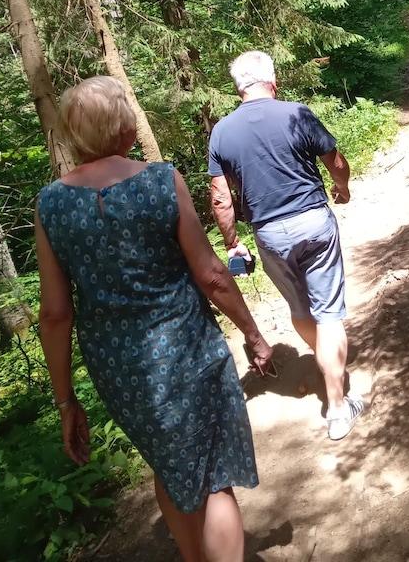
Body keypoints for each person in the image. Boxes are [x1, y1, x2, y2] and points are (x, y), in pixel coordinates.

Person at [35, 76, 273, 562]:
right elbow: (210, 274)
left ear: (73, 134)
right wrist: (253, 333)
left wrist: (66, 402)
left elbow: (55, 315)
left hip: (120, 369)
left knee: (170, 468)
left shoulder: (51, 204)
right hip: (187, 348)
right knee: (212, 478)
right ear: (124, 126)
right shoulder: (161, 180)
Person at [208, 50, 365, 441]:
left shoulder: (222, 132)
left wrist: (232, 244)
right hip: (313, 220)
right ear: (272, 81)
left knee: (300, 308)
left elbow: (220, 198)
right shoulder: (297, 113)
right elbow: (336, 161)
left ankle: (325, 364)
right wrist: (341, 188)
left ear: (237, 87)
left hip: (268, 233)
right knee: (328, 313)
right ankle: (338, 405)